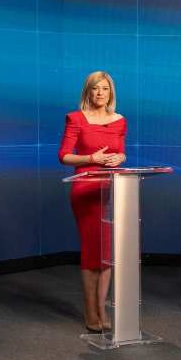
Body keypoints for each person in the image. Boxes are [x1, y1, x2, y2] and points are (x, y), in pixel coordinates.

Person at [59, 71, 126, 332]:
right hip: (85, 188)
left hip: (113, 189)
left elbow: (120, 152)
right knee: (92, 251)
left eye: (105, 89)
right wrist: (90, 159)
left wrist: (119, 158)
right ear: (88, 92)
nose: (100, 93)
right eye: (95, 89)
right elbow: (63, 155)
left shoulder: (120, 121)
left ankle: (102, 309)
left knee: (107, 253)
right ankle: (90, 311)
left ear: (111, 93)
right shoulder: (75, 119)